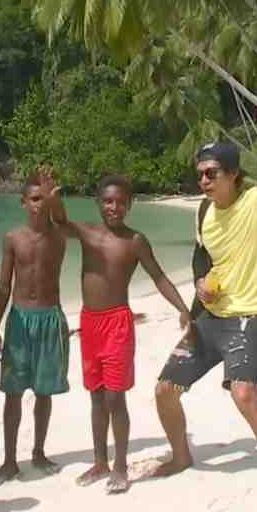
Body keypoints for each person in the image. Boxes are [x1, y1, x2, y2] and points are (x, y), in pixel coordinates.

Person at [148, 108, 257, 512]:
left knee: (244, 395)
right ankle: (181, 455)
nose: (203, 181)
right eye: (200, 173)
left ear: (234, 174)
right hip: (211, 316)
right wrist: (199, 286)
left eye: (212, 173)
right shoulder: (203, 212)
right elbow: (202, 256)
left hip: (252, 313)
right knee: (165, 390)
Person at [44, 172, 191, 495]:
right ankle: (100, 462)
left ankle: (121, 465)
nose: (114, 207)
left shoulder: (134, 241)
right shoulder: (87, 232)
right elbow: (59, 225)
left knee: (115, 396)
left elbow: (159, 276)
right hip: (89, 324)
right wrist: (54, 201)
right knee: (96, 396)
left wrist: (182, 307)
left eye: (121, 202)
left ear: (130, 205)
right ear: (98, 203)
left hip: (117, 324)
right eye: (108, 201)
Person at [0, 169, 69, 487]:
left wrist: (55, 198)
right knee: (13, 393)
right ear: (23, 202)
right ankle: (9, 461)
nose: (40, 205)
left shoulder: (58, 235)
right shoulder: (13, 238)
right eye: (34, 199)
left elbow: (62, 220)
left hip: (50, 318)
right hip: (19, 320)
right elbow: (4, 286)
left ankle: (38, 451)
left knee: (44, 391)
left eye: (44, 199)